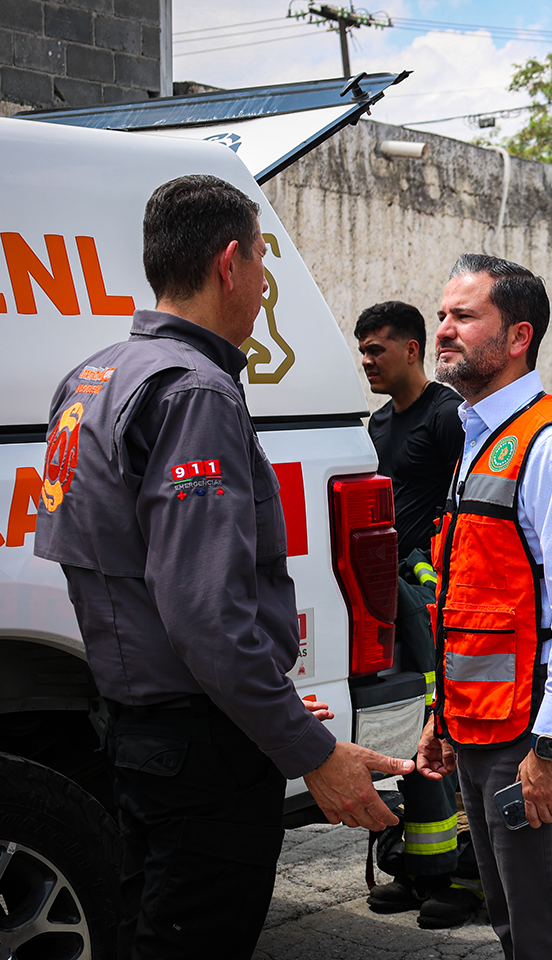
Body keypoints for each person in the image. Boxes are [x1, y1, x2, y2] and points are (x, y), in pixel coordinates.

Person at [33, 174, 413, 960]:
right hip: (202, 749)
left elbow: (101, 568)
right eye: (264, 264)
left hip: (140, 731)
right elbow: (206, 613)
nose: (264, 285)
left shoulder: (91, 380)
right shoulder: (194, 392)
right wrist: (312, 754)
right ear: (232, 263)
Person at [416, 254, 552, 959]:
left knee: (542, 926)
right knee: (509, 916)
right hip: (480, 718)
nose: (443, 330)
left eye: (464, 317)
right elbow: (466, 598)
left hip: (532, 724)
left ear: (517, 338)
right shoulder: (479, 442)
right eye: (443, 314)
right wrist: (441, 716)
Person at [354, 300, 483, 927]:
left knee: (450, 733)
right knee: (409, 733)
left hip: (436, 602)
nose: (366, 360)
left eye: (377, 348)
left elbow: (473, 507)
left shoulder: (448, 417)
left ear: (412, 349)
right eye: (362, 350)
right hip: (390, 605)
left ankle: (468, 880)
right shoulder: (378, 427)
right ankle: (419, 867)